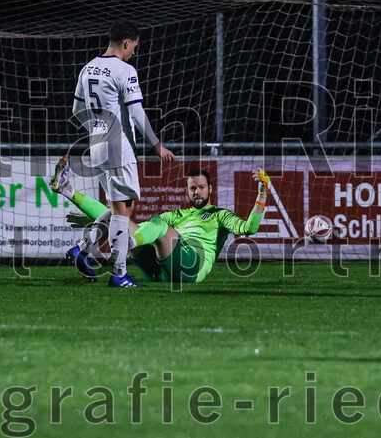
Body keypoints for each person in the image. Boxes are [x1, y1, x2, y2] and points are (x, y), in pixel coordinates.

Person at [70, 21, 175, 287]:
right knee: (123, 211)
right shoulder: (124, 70)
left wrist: (98, 128)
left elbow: (76, 110)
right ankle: (118, 273)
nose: (134, 53)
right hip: (118, 146)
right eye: (134, 47)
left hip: (96, 145)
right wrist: (156, 145)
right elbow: (138, 114)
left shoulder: (87, 68)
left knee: (121, 207)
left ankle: (82, 248)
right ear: (127, 43)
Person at [51, 162, 269, 284]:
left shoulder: (220, 215)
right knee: (119, 216)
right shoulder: (176, 215)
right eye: (193, 188)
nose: (197, 191)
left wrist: (262, 192)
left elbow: (250, 228)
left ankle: (124, 245)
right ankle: (67, 190)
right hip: (158, 272)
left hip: (191, 268)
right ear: (187, 191)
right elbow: (144, 229)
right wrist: (100, 221)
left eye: (202, 187)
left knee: (154, 224)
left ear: (210, 189)